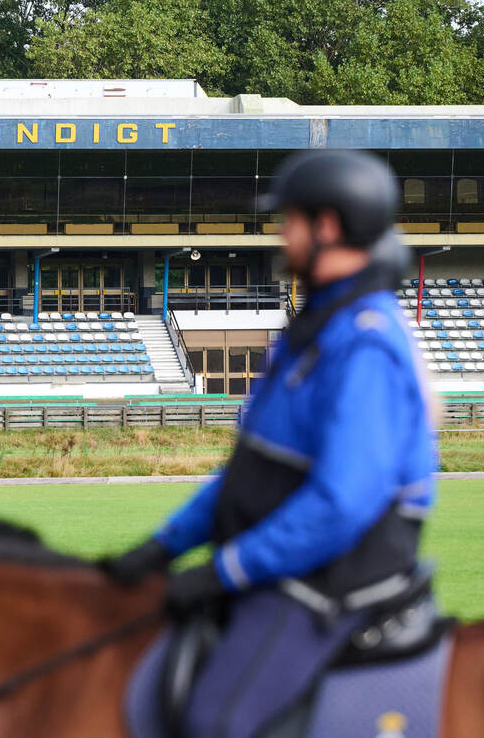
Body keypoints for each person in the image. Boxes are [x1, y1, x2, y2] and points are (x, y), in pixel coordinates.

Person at [104, 149, 438, 738]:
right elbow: (249, 472)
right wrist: (160, 548)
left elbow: (340, 504)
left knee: (215, 720)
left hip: (334, 577)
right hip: (289, 563)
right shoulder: (311, 331)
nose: (280, 234)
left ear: (327, 227)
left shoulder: (366, 342)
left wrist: (224, 571)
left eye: (288, 220)